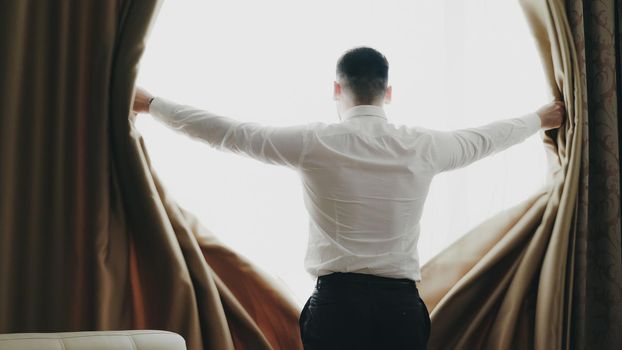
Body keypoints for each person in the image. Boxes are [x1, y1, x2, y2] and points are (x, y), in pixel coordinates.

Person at [131, 46, 565, 350]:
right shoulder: (425, 146)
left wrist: (151, 104)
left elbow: (230, 134)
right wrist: (540, 118)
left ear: (337, 90)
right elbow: (488, 139)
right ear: (388, 92)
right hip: (400, 310)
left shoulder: (315, 142)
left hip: (337, 307)